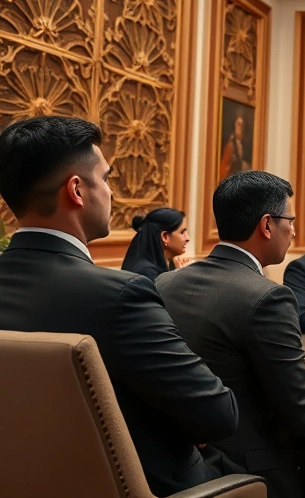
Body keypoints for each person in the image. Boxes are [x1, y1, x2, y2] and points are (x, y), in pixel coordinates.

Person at [0, 116, 238, 497]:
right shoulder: (121, 295)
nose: (111, 193)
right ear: (77, 190)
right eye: (107, 178)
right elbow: (219, 416)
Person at [156, 170, 305, 498]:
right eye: (289, 221)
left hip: (177, 462)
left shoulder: (165, 283)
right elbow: (304, 416)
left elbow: (211, 358)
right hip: (247, 469)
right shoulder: (268, 297)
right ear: (266, 225)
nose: (292, 231)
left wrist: (275, 367)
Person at [121, 207, 192, 281]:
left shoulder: (169, 263)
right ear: (165, 236)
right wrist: (181, 277)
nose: (188, 238)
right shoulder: (145, 273)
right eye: (182, 232)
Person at [219, 113, 250, 181]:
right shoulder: (230, 145)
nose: (241, 128)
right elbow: (224, 169)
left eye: (242, 125)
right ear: (234, 126)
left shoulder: (245, 145)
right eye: (238, 125)